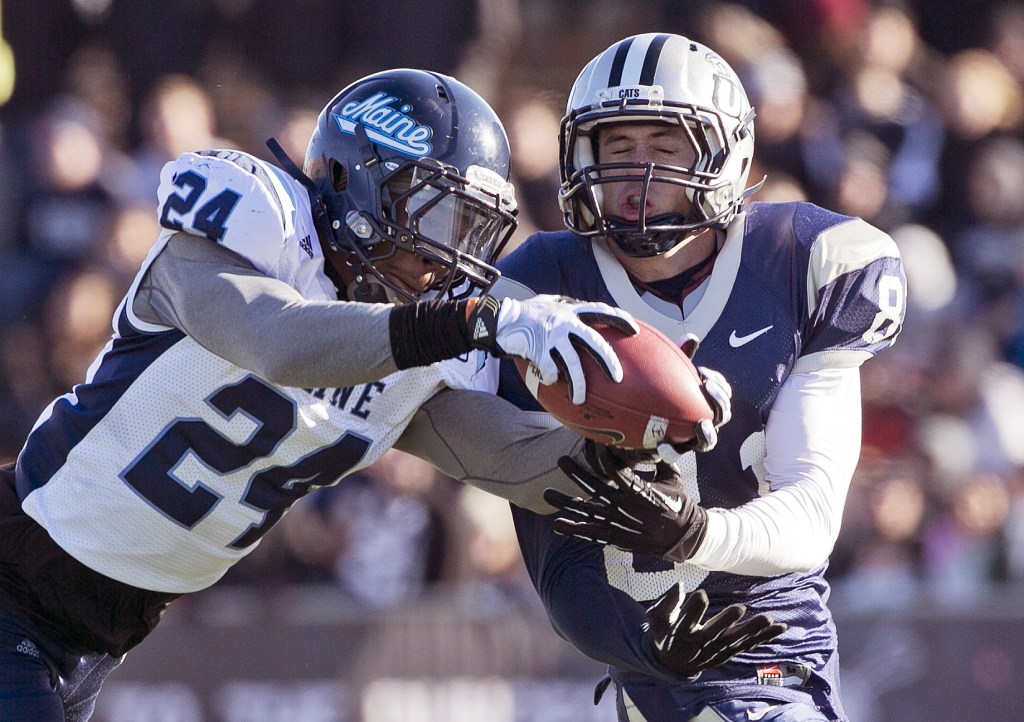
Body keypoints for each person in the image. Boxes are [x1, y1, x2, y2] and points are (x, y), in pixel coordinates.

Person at [0, 68, 650, 722]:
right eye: (434, 214)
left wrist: (647, 438)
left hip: (91, 638)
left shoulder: (407, 346)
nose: (444, 259)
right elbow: (275, 340)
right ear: (352, 179)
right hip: (13, 580)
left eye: (469, 231)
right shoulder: (253, 229)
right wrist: (474, 322)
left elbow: (513, 459)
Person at [492, 33, 907, 722]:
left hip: (768, 653)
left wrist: (695, 534)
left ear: (725, 151)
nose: (637, 173)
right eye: (616, 148)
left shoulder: (805, 262)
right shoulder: (536, 285)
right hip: (632, 659)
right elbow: (447, 430)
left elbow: (811, 514)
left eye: (664, 146)